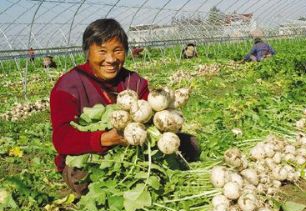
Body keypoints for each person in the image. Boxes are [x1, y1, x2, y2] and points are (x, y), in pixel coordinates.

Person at [50, 18, 200, 197]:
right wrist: (107, 139)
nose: (111, 59)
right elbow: (61, 139)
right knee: (79, 173)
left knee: (190, 144)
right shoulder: (68, 86)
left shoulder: (134, 81)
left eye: (118, 51)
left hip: (137, 149)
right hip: (95, 154)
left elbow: (151, 117)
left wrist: (166, 119)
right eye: (102, 52)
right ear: (88, 52)